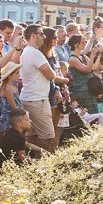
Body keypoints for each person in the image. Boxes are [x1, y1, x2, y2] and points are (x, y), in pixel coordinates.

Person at [19, 24, 69, 152]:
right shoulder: (35, 53)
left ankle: (34, 162)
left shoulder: (28, 51)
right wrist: (63, 79)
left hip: (32, 98)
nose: (44, 37)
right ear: (33, 36)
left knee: (32, 136)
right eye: (42, 34)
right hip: (37, 100)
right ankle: (48, 162)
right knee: (48, 137)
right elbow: (51, 74)